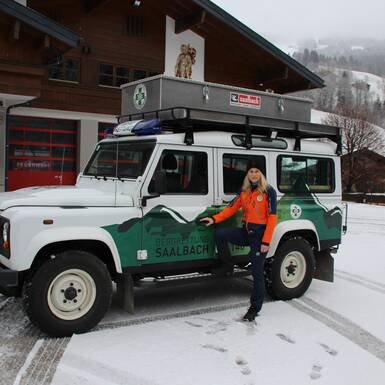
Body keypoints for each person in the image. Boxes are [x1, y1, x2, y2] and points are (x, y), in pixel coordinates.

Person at [200, 163, 278, 322]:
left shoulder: (269, 191)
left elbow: (272, 217)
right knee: (220, 234)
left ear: (261, 174)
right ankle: (227, 265)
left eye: (257, 171)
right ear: (247, 174)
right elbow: (231, 209)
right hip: (246, 232)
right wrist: (214, 219)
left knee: (257, 273)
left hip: (259, 237)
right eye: (251, 171)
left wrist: (266, 241)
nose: (254, 174)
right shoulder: (244, 191)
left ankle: (255, 308)